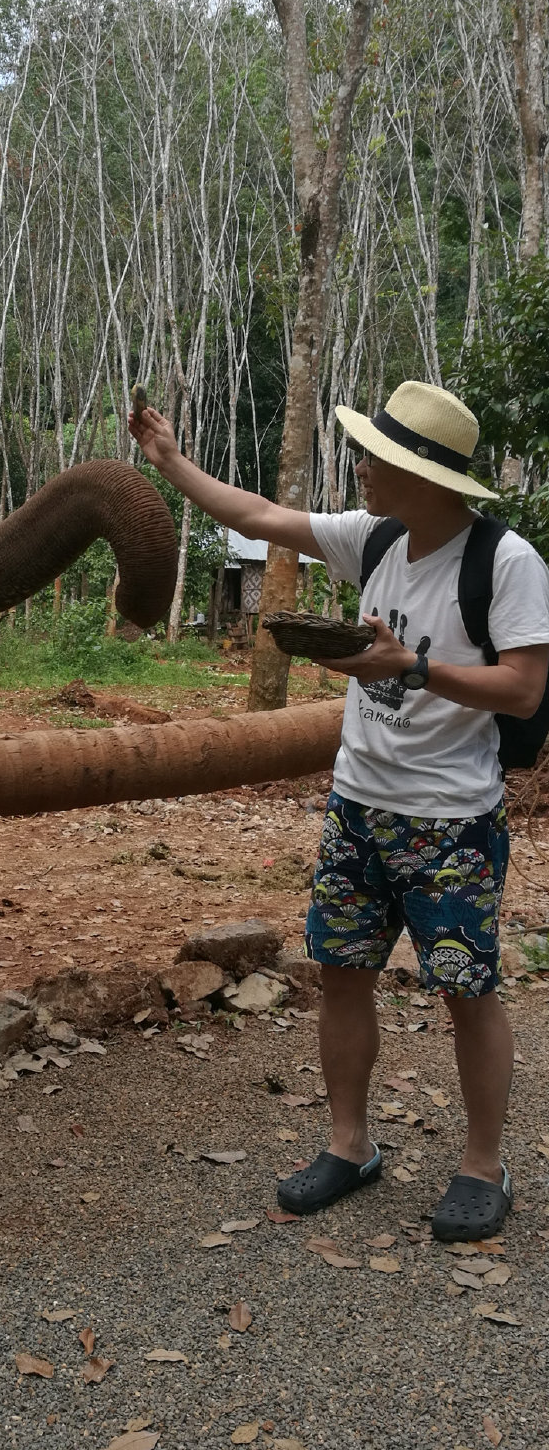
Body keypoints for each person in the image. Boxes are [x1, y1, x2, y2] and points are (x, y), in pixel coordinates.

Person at [130, 381, 549, 1240]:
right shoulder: (376, 538)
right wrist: (172, 462)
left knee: (467, 991)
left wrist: (414, 669)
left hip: (452, 822)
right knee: (342, 974)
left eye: (376, 456)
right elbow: (257, 516)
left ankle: (482, 1164)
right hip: (358, 808)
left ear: (423, 474)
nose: (360, 466)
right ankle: (350, 1144)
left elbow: (523, 686)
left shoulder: (506, 564)